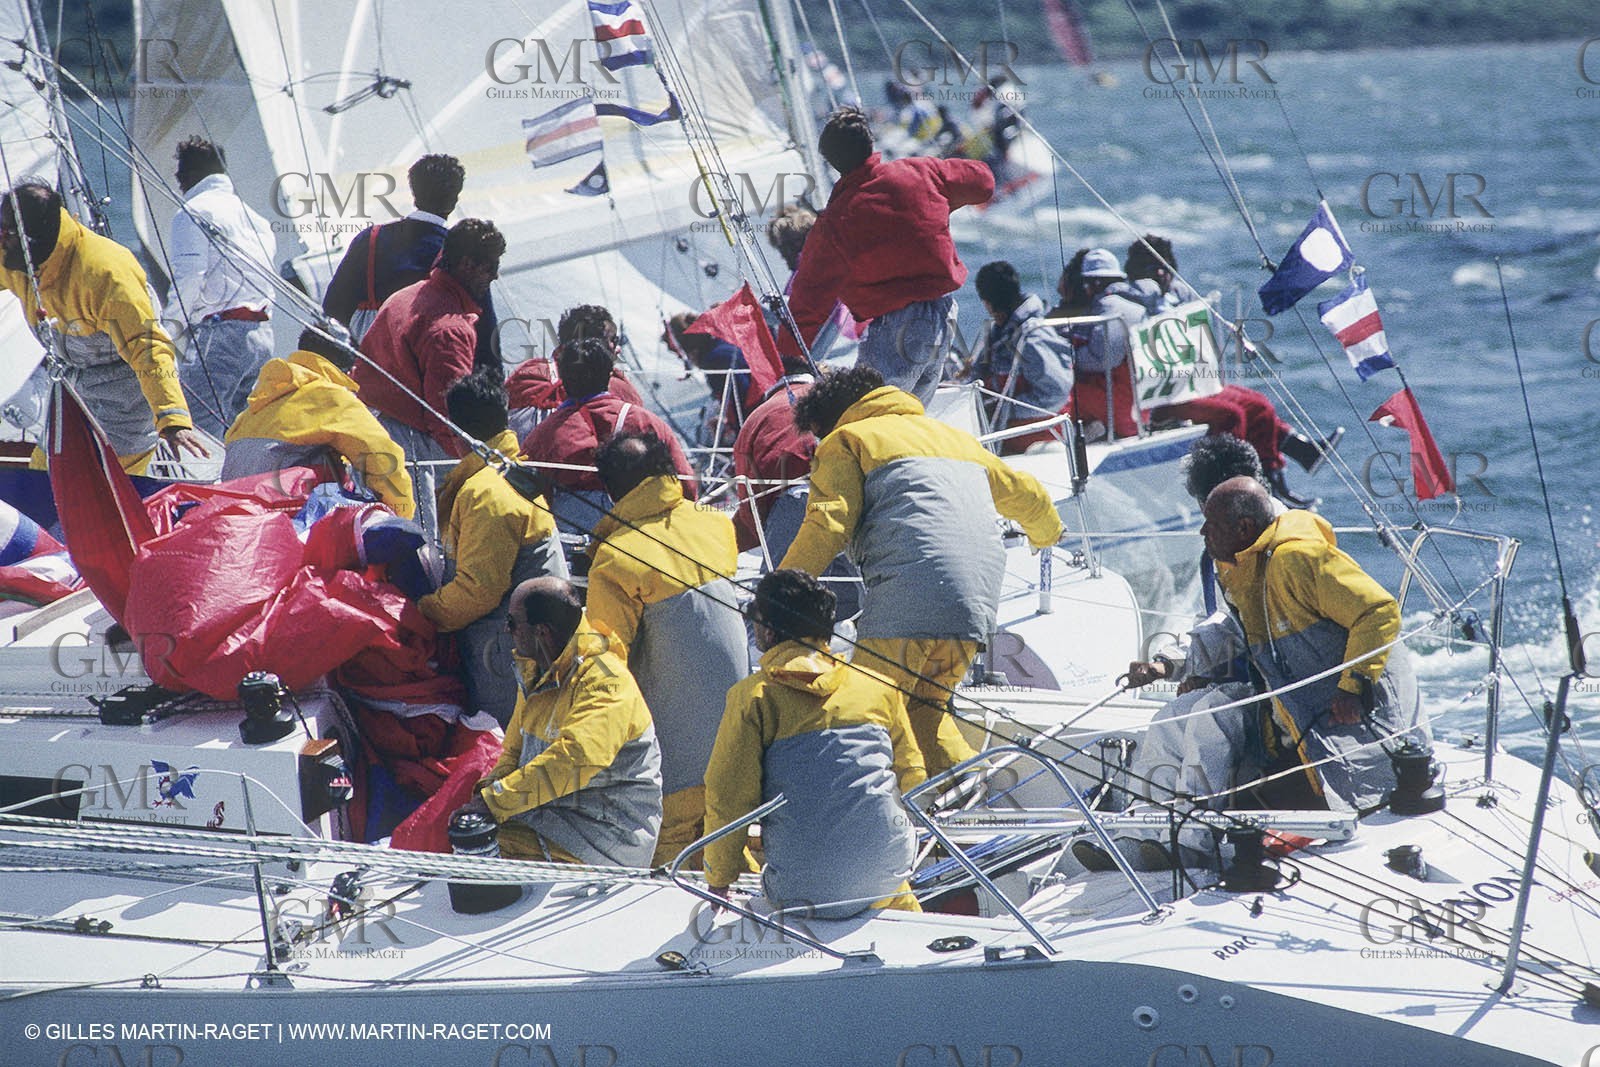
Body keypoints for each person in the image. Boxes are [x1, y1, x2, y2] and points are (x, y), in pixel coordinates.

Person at [779, 365, 1062, 774]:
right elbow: (1029, 495)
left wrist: (781, 591)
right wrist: (1047, 534)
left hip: (908, 601)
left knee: (870, 717)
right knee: (927, 712)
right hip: (973, 610)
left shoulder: (847, 440)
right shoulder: (956, 438)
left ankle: (905, 815)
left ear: (832, 420)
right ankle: (967, 799)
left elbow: (829, 523)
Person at [703, 569, 925, 917]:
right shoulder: (879, 688)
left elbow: (728, 797)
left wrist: (719, 878)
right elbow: (913, 776)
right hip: (887, 876)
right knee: (893, 886)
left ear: (767, 630)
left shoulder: (753, 698)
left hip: (802, 894)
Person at [1202, 476, 1429, 812]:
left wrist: (1352, 687)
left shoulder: (1295, 559)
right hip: (1305, 735)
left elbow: (1378, 610)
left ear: (1244, 528)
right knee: (1231, 806)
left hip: (1355, 726)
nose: (1203, 533)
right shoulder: (1242, 571)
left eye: (1212, 524)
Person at [588, 431, 748, 867]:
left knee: (669, 854)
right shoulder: (715, 524)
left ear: (611, 491)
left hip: (677, 763)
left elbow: (606, 662)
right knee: (734, 842)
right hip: (741, 744)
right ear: (667, 468)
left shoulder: (615, 559)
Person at [780, 106, 993, 405]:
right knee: (911, 413)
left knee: (869, 414)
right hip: (944, 316)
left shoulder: (835, 223)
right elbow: (983, 183)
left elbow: (808, 301)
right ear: (869, 143)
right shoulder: (919, 172)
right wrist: (936, 203)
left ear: (830, 161)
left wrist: (786, 361)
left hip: (898, 328)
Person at [0, 182, 207, 472]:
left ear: (35, 238)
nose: (1, 238)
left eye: (8, 231)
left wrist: (172, 420)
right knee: (43, 475)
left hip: (125, 399)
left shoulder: (105, 274)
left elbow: (147, 347)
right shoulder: (14, 258)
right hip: (72, 390)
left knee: (108, 487)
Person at [1124, 234, 1342, 509]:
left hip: (1189, 383)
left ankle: (1276, 484)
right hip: (1160, 396)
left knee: (1258, 404)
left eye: (1163, 267)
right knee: (1231, 414)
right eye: (1149, 268)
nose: (1158, 273)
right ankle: (1235, 486)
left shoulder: (1179, 294)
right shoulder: (1132, 302)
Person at [457, 576, 662, 867]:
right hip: (556, 818)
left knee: (482, 851)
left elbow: (575, 759)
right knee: (467, 835)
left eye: (513, 622)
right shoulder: (536, 669)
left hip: (605, 839)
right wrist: (486, 793)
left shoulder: (606, 680)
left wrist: (495, 803)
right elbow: (513, 753)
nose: (507, 629)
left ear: (541, 632)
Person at [418, 373, 566, 727]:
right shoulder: (512, 470)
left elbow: (478, 592)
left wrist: (419, 612)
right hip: (536, 646)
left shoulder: (484, 492)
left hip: (506, 657)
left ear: (455, 432)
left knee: (506, 751)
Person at [322, 153, 499, 376]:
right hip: (432, 377)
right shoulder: (462, 254)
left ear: (414, 193)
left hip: (371, 377)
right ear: (455, 199)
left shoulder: (370, 239)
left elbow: (333, 308)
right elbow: (485, 334)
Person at [355, 217, 504, 476]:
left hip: (367, 431)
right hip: (408, 449)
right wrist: (476, 474)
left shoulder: (405, 296)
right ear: (467, 265)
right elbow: (447, 420)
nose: (495, 275)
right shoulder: (450, 330)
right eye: (490, 268)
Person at [222, 323, 415, 519]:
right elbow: (382, 458)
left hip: (239, 515)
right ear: (349, 370)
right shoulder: (332, 395)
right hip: (288, 519)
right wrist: (401, 517)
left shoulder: (260, 402)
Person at [520, 336, 696, 537]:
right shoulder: (645, 422)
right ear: (610, 373)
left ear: (562, 378)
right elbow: (687, 486)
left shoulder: (543, 435)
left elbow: (526, 496)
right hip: (644, 535)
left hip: (572, 542)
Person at [167, 136, 277, 439]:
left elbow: (190, 276)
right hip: (261, 338)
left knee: (198, 430)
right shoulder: (257, 220)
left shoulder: (193, 211)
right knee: (239, 433)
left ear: (185, 177)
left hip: (222, 337)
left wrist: (169, 331)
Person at [970, 260, 1075, 452]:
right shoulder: (999, 333)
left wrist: (1005, 410)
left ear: (989, 303)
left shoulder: (1033, 338)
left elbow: (1056, 393)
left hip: (1032, 436)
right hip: (999, 429)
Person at [1052, 247, 1151, 442]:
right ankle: (1091, 429)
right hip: (1140, 401)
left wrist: (1064, 356)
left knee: (1060, 394)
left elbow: (1102, 359)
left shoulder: (1111, 307)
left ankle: (1061, 441)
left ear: (1094, 283)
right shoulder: (1136, 304)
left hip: (1122, 404)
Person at [505, 304, 643, 441]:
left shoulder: (527, 374)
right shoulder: (617, 387)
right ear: (592, 346)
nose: (618, 348)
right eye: (613, 340)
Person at [664, 311, 753, 440]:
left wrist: (732, 427)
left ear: (689, 349)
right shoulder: (722, 344)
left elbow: (742, 402)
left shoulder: (715, 360)